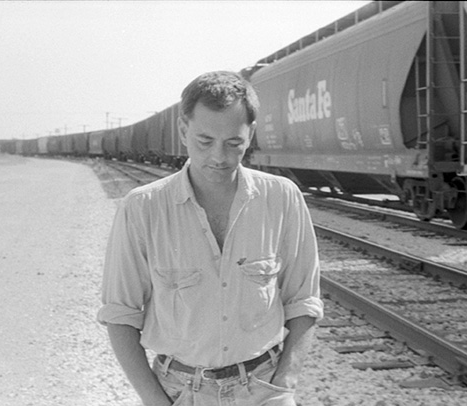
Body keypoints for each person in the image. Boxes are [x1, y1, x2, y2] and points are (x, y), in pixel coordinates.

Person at [97, 70, 324, 406]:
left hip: (264, 391)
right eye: (205, 141)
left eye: (234, 143)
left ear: (251, 134)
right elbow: (120, 315)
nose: (220, 157)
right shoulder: (142, 208)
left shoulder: (282, 198)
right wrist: (155, 400)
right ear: (183, 131)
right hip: (178, 393)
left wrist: (285, 382)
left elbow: (303, 300)